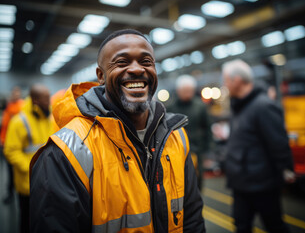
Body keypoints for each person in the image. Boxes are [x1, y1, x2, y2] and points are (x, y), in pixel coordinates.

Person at [30, 29, 205, 233]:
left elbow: (192, 218)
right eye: (122, 62)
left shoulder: (176, 137)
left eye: (146, 62)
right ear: (101, 76)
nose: (137, 69)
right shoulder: (68, 152)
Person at [222, 59, 295, 233]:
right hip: (241, 182)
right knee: (241, 226)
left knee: (274, 226)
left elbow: (278, 143)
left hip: (262, 183)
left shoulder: (263, 106)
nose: (225, 85)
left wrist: (286, 170)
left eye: (226, 80)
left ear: (237, 80)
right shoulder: (238, 107)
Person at [4, 84, 53, 233]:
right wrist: (31, 169)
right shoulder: (19, 121)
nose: (49, 102)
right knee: (27, 220)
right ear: (35, 101)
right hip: (27, 184)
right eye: (46, 99)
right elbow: (10, 151)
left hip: (47, 180)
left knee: (44, 220)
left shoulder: (48, 118)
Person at [167, 74, 212, 190]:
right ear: (178, 91)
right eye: (185, 90)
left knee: (197, 182)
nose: (188, 93)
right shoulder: (171, 107)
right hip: (177, 151)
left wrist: (209, 152)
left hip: (197, 150)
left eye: (190, 90)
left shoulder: (200, 106)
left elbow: (207, 128)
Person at [0, 86, 24, 204]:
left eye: (17, 93)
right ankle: (10, 194)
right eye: (13, 93)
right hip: (5, 143)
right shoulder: (8, 106)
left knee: (16, 172)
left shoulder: (22, 106)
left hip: (16, 145)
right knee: (9, 171)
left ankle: (18, 194)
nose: (15, 95)